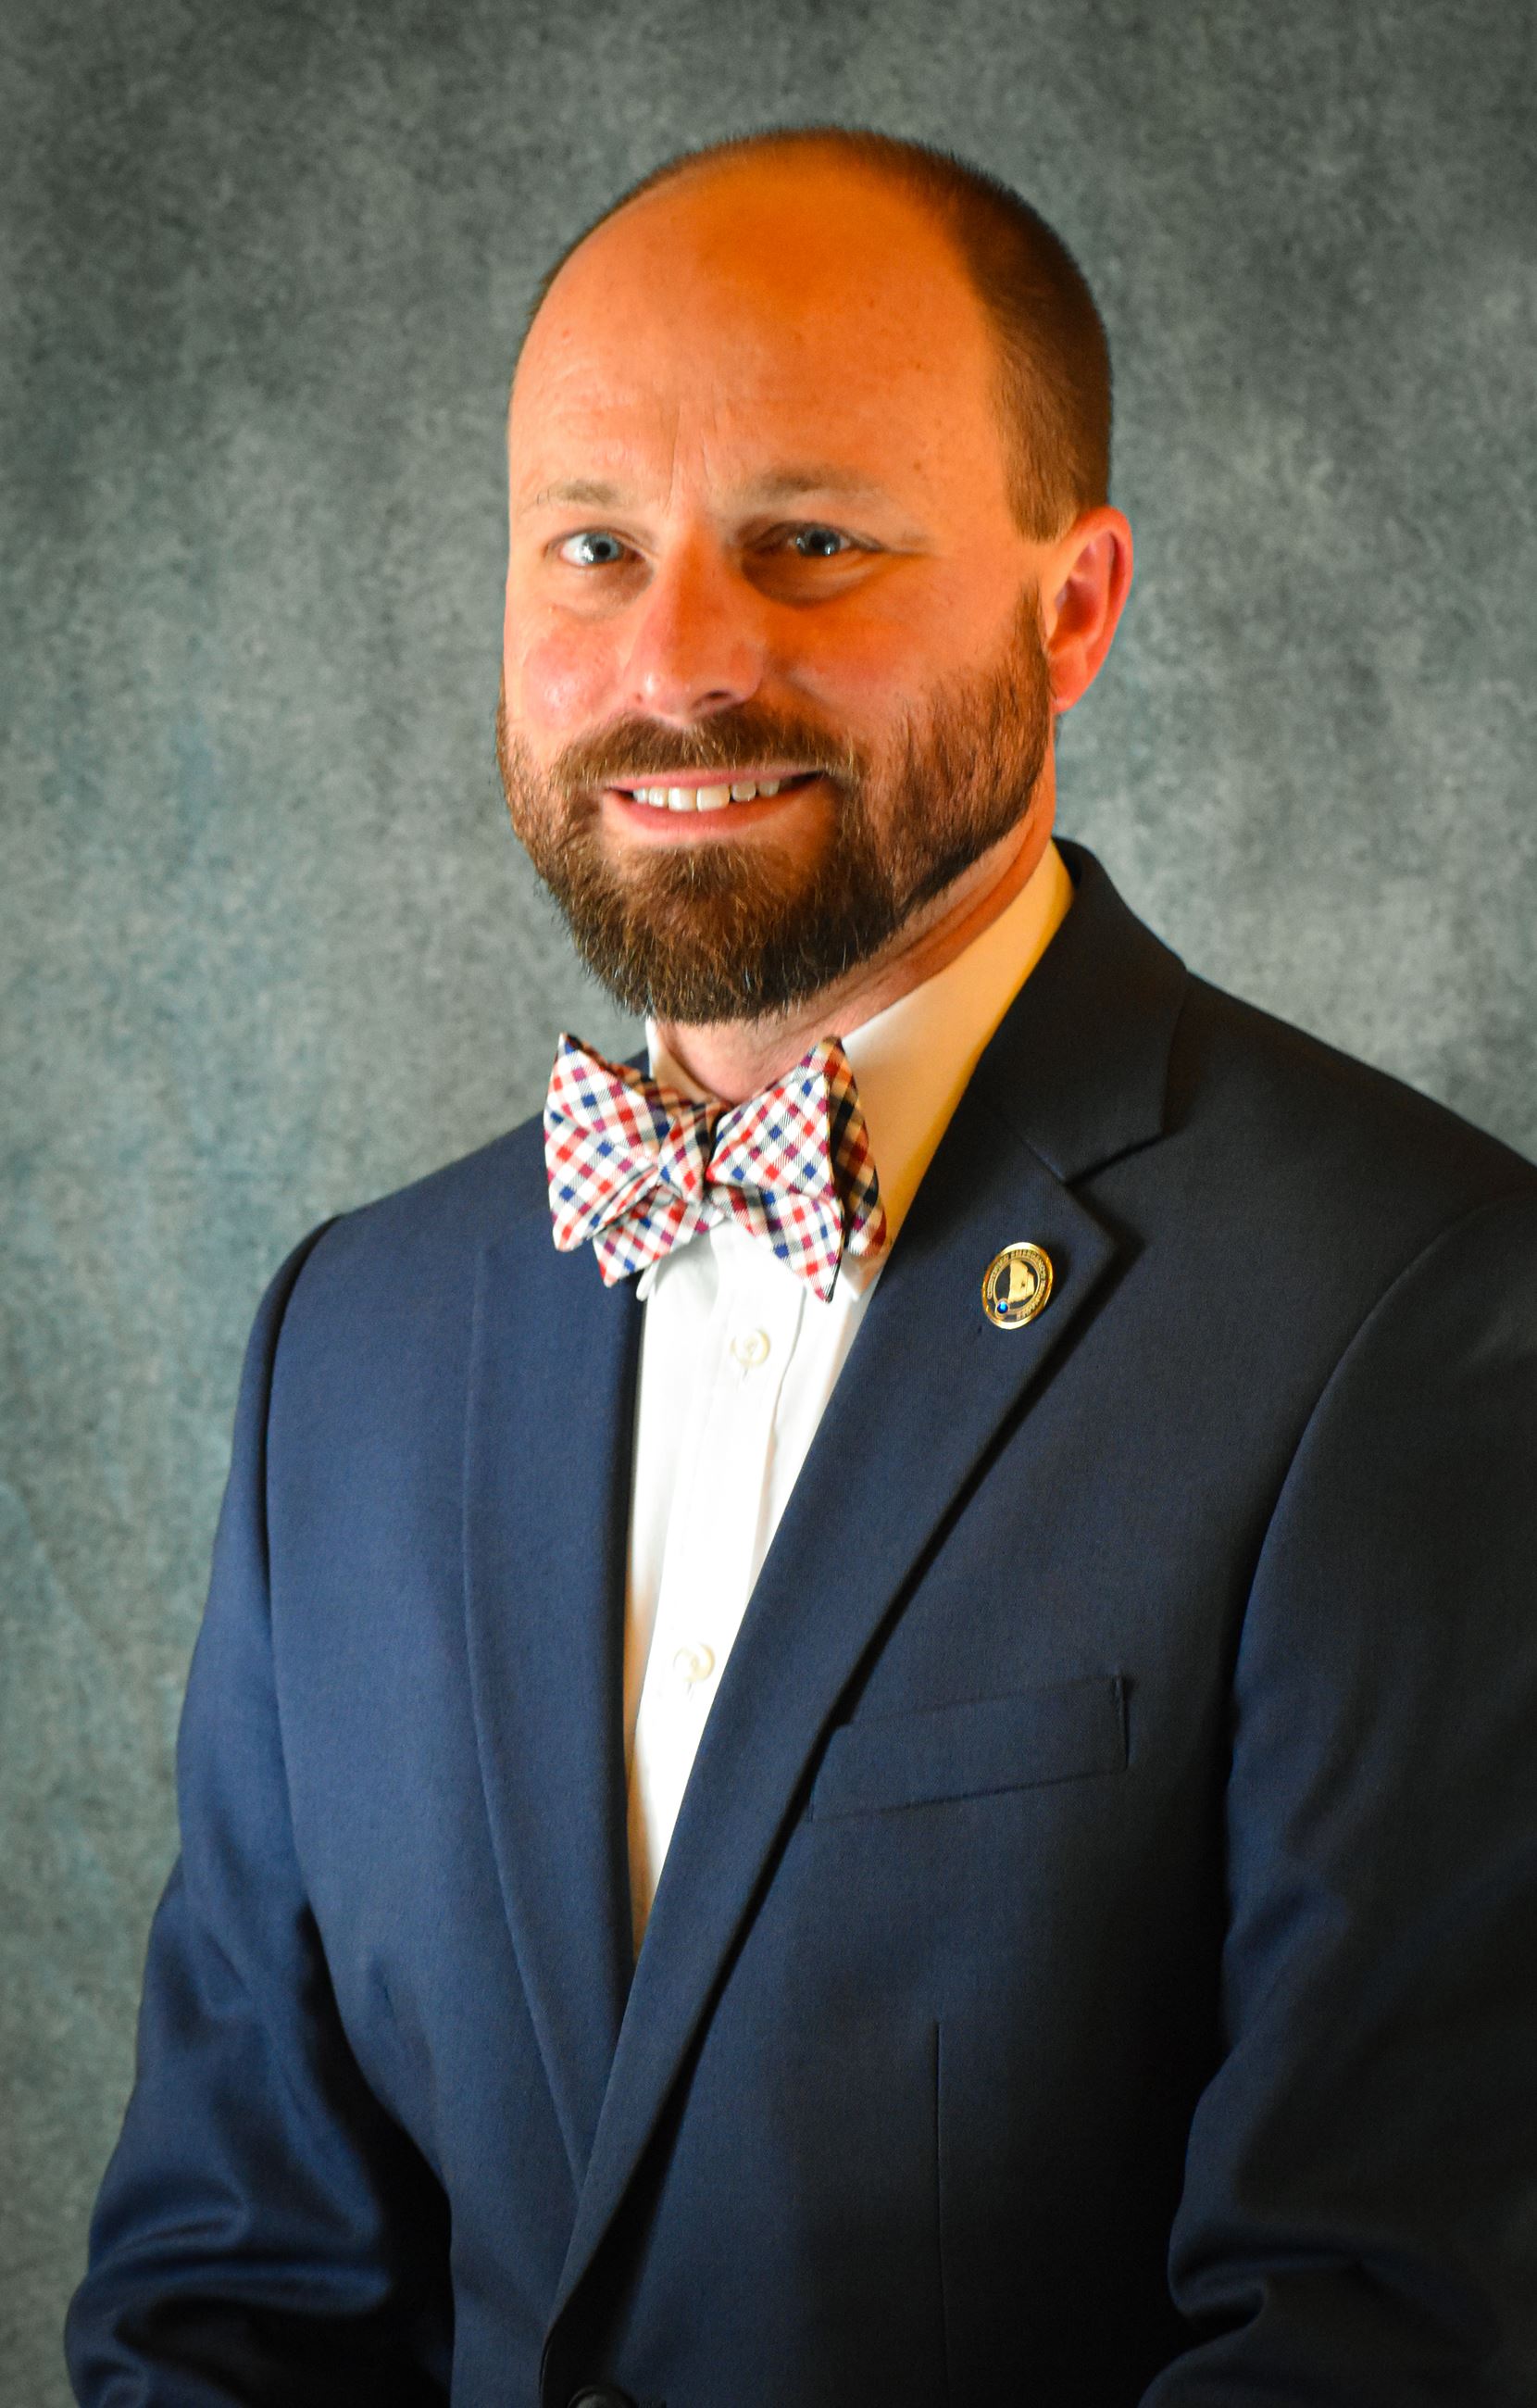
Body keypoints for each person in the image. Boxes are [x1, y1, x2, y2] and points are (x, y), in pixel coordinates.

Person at [68, 128, 1537, 2408]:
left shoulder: (1417, 1309)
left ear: (1072, 610)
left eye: (811, 545)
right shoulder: (346, 1345)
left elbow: (1377, 2333)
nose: (677, 664)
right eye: (592, 546)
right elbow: (226, 2295)